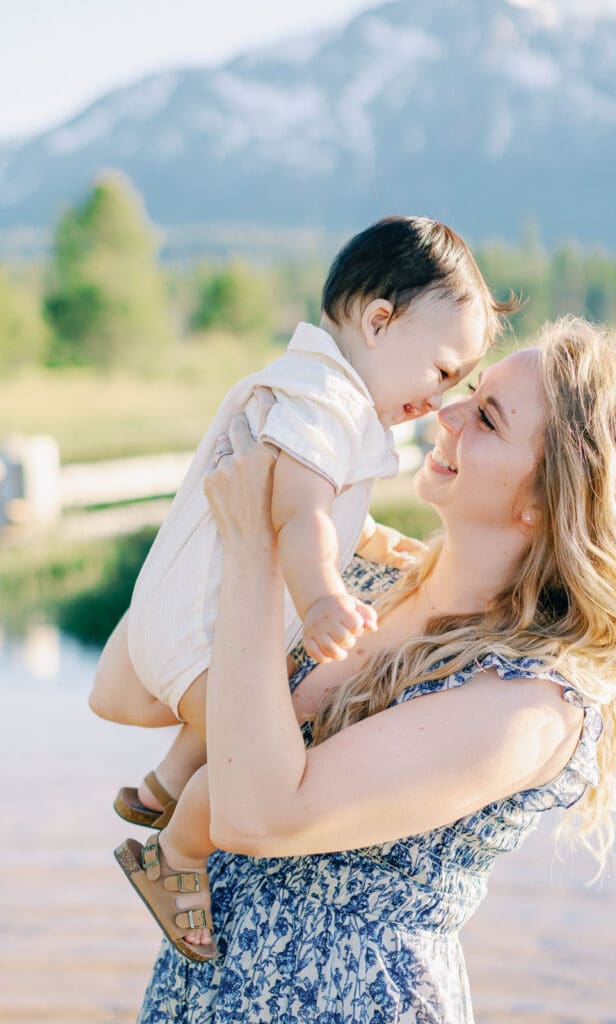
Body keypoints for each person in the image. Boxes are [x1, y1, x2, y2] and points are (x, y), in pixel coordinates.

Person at [112, 317, 616, 1023]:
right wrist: (245, 477)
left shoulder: (527, 706)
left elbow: (258, 815)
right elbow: (126, 692)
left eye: (485, 417)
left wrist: (252, 551)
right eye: (471, 389)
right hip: (195, 1000)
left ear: (548, 498)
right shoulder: (350, 584)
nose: (447, 412)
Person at [90, 217, 515, 858]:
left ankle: (163, 784)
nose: (437, 403)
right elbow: (300, 508)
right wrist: (318, 594)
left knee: (267, 690)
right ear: (377, 322)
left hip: (179, 627)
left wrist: (368, 539)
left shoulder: (316, 392)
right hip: (195, 629)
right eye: (440, 372)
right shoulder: (329, 403)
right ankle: (174, 853)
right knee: (272, 727)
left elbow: (319, 498)